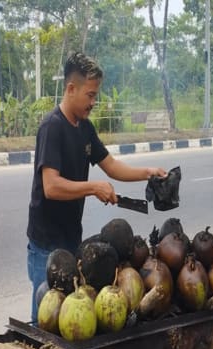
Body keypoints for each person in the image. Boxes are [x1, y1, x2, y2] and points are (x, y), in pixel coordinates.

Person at [26, 51, 167, 323]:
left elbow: (111, 166)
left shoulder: (85, 129)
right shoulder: (51, 127)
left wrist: (147, 173)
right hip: (45, 245)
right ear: (71, 89)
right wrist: (93, 188)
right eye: (90, 95)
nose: (94, 102)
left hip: (70, 240)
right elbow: (51, 186)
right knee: (44, 320)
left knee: (67, 318)